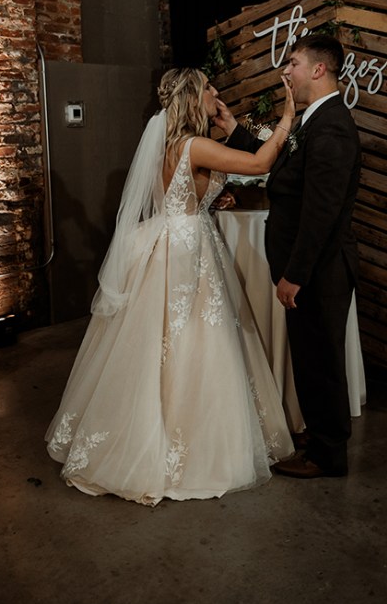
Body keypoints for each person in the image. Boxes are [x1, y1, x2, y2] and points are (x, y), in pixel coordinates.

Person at [45, 67, 297, 505]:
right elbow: (259, 164)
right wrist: (287, 119)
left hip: (171, 239)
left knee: (163, 340)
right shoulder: (196, 144)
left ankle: (154, 426)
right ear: (193, 98)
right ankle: (186, 446)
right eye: (209, 88)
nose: (216, 93)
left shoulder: (171, 143)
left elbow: (184, 192)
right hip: (189, 249)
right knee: (195, 340)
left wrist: (213, 195)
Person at [221, 33, 360, 478]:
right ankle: (319, 435)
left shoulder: (331, 126)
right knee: (310, 356)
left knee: (321, 360)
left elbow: (321, 213)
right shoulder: (311, 120)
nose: (285, 71)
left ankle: (327, 455)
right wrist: (234, 131)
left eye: (293, 63)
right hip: (308, 269)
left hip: (319, 271)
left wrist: (295, 274)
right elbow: (279, 167)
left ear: (318, 69)